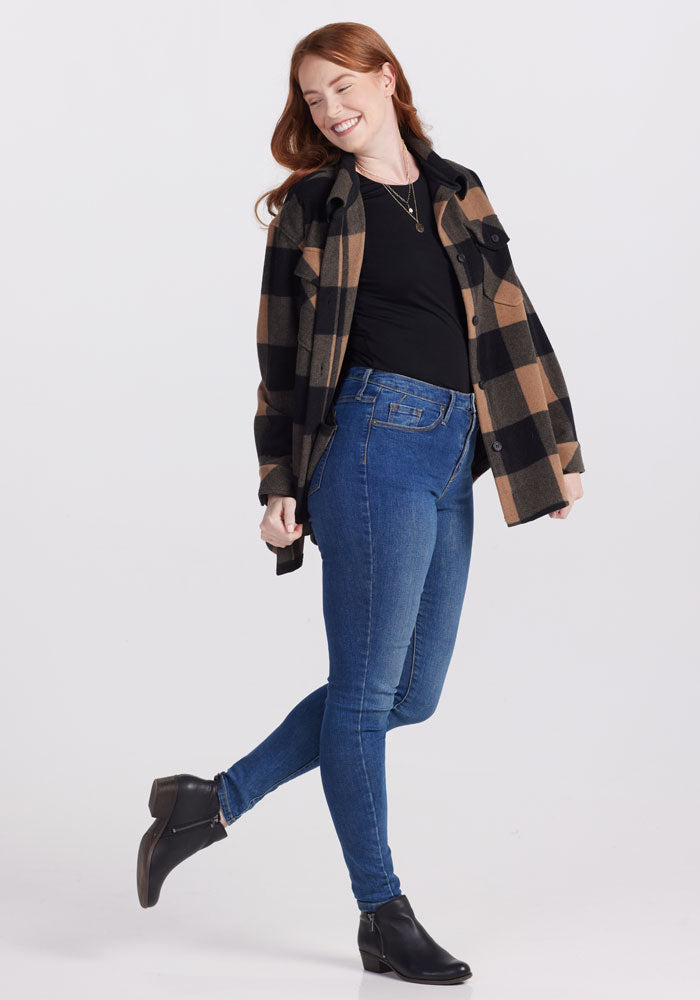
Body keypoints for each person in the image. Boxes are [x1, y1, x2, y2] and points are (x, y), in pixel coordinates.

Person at [137, 22, 584, 986]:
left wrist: (555, 448)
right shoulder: (314, 205)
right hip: (373, 443)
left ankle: (210, 802)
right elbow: (278, 357)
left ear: (387, 79)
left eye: (344, 87)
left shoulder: (458, 188)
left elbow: (515, 316)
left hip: (457, 450)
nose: (331, 110)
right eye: (314, 98)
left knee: (407, 695)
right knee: (366, 692)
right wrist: (278, 482)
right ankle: (382, 914)